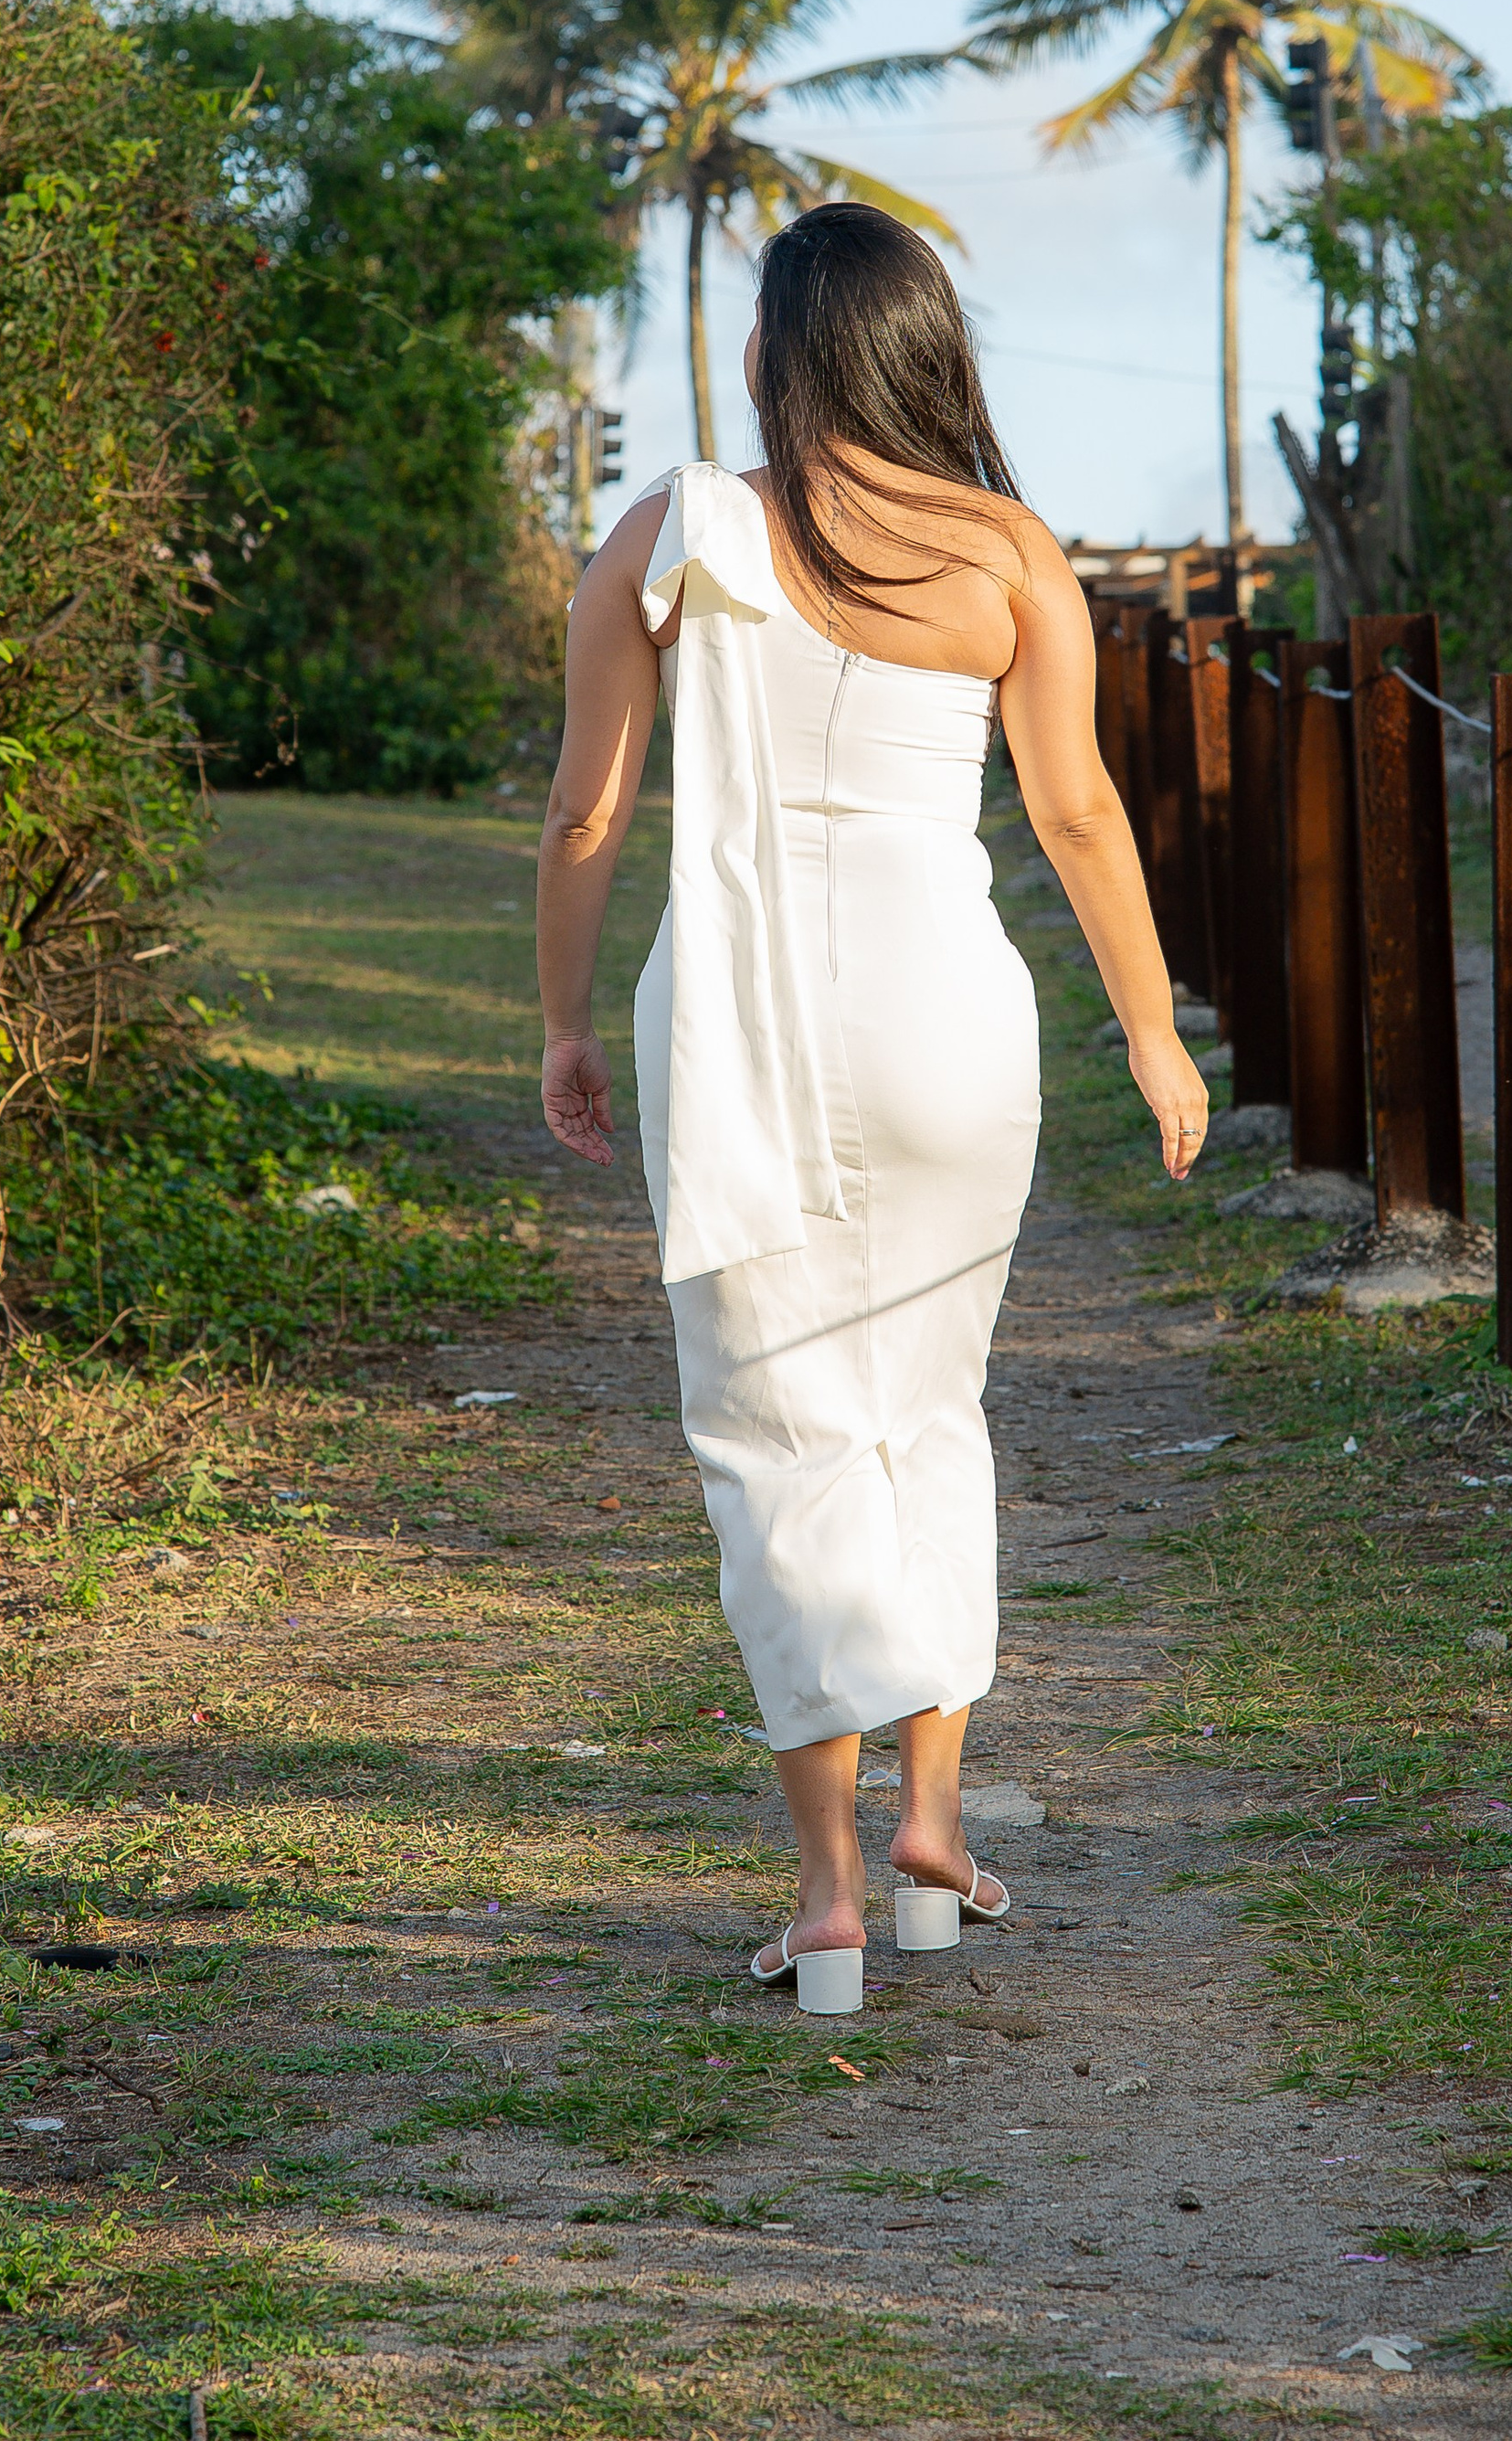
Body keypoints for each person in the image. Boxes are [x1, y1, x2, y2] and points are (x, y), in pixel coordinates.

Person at [534, 204, 1207, 2011]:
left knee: (776, 1433)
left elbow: (588, 816)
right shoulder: (1004, 555)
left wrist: (561, 1026)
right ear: (926, 356)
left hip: (736, 1025)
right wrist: (1149, 1037)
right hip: (948, 1028)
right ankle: (932, 1828)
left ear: (768, 357)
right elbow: (1071, 817)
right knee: (923, 1409)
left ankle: (826, 1894)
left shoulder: (671, 531)